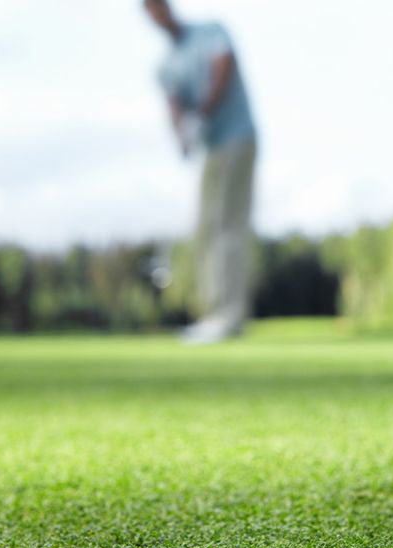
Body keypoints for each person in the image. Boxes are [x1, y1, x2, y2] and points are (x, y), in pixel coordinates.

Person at [143, 0, 258, 343]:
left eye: (158, 6)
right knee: (206, 228)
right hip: (209, 148)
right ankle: (213, 314)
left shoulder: (210, 31)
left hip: (237, 137)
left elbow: (223, 66)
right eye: (149, 11)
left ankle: (228, 316)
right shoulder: (165, 65)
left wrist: (202, 115)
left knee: (227, 225)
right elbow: (174, 106)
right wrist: (182, 134)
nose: (157, 14)